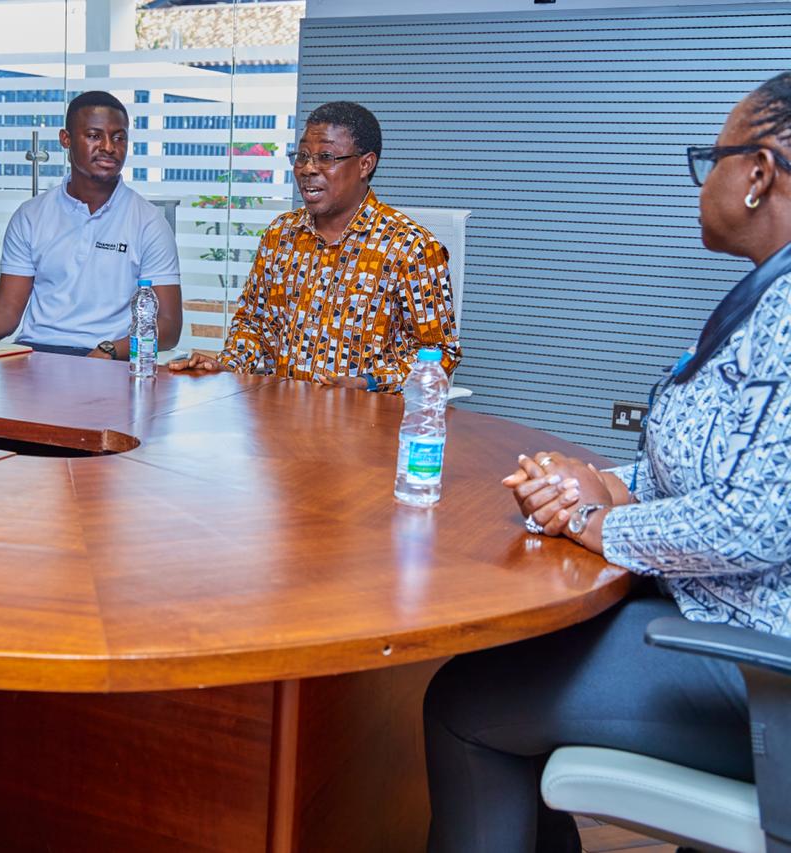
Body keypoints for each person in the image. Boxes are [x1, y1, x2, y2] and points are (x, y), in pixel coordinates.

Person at [422, 75, 791, 853]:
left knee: (464, 700)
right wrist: (610, 481)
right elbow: (714, 462)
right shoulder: (766, 298)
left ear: (757, 174)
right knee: (513, 651)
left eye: (710, 159)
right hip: (721, 618)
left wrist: (599, 520)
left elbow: (756, 519)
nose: (703, 182)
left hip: (763, 668)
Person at [168, 101, 459, 392]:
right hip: (278, 416)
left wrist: (369, 383)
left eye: (326, 157)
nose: (308, 169)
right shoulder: (281, 235)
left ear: (365, 164)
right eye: (302, 156)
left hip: (367, 424)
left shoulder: (411, 247)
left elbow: (440, 352)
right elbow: (253, 324)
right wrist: (228, 364)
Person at [0, 91, 182, 359]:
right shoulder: (30, 216)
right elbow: (6, 312)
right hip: (37, 356)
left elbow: (169, 326)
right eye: (94, 136)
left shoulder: (149, 222)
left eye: (119, 137)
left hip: (108, 359)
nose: (109, 147)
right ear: (65, 139)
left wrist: (111, 351)